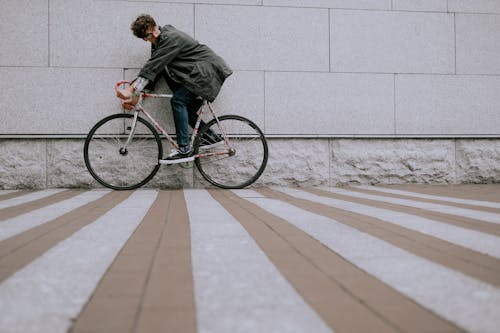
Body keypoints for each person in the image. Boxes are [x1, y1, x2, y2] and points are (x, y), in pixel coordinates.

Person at [117, 14, 232, 161]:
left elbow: (153, 66)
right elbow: (155, 69)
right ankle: (211, 137)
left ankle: (184, 148)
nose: (147, 39)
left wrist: (131, 90)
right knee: (184, 106)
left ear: (154, 27)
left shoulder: (171, 38)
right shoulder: (158, 42)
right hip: (197, 74)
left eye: (148, 35)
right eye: (144, 38)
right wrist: (135, 95)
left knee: (178, 101)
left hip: (206, 72)